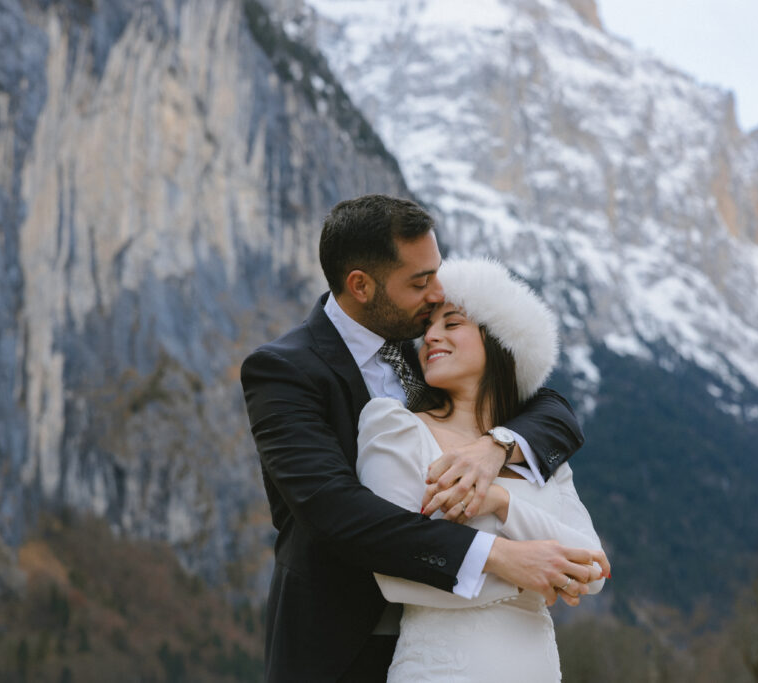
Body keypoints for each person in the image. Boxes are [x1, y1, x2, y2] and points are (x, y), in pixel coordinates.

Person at [241, 194, 606, 681]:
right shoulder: (284, 371)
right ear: (361, 285)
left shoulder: (427, 350)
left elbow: (551, 407)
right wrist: (503, 558)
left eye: (435, 273)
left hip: (474, 646)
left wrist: (494, 447)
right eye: (420, 282)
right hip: (339, 647)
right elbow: (335, 511)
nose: (437, 294)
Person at [357, 257, 608, 682]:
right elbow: (392, 568)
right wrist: (520, 569)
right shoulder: (397, 427)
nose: (431, 337)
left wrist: (502, 501)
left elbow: (594, 569)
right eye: (427, 329)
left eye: (452, 324)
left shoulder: (533, 455)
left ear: (500, 343)